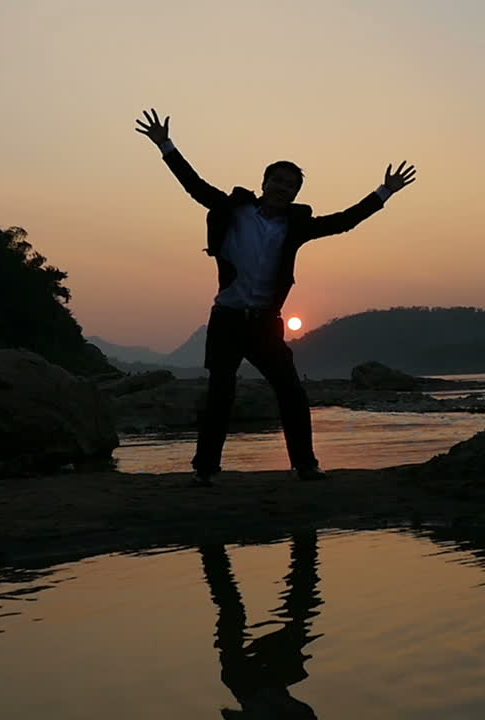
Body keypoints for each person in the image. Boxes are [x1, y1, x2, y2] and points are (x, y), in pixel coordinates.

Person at [135, 108, 417, 486]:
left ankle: (306, 466)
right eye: (278, 181)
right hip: (227, 319)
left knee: (292, 393)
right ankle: (204, 471)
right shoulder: (235, 211)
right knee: (221, 393)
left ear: (296, 193)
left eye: (291, 185)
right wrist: (165, 145)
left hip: (266, 324)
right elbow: (194, 185)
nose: (283, 188)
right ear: (265, 181)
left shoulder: (296, 226)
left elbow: (344, 221)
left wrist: (384, 191)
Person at [199, 531, 321, 719]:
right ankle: (304, 543)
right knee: (297, 620)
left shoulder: (248, 689)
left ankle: (212, 551)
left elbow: (228, 713)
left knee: (232, 614)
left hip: (249, 680)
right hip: (262, 678)